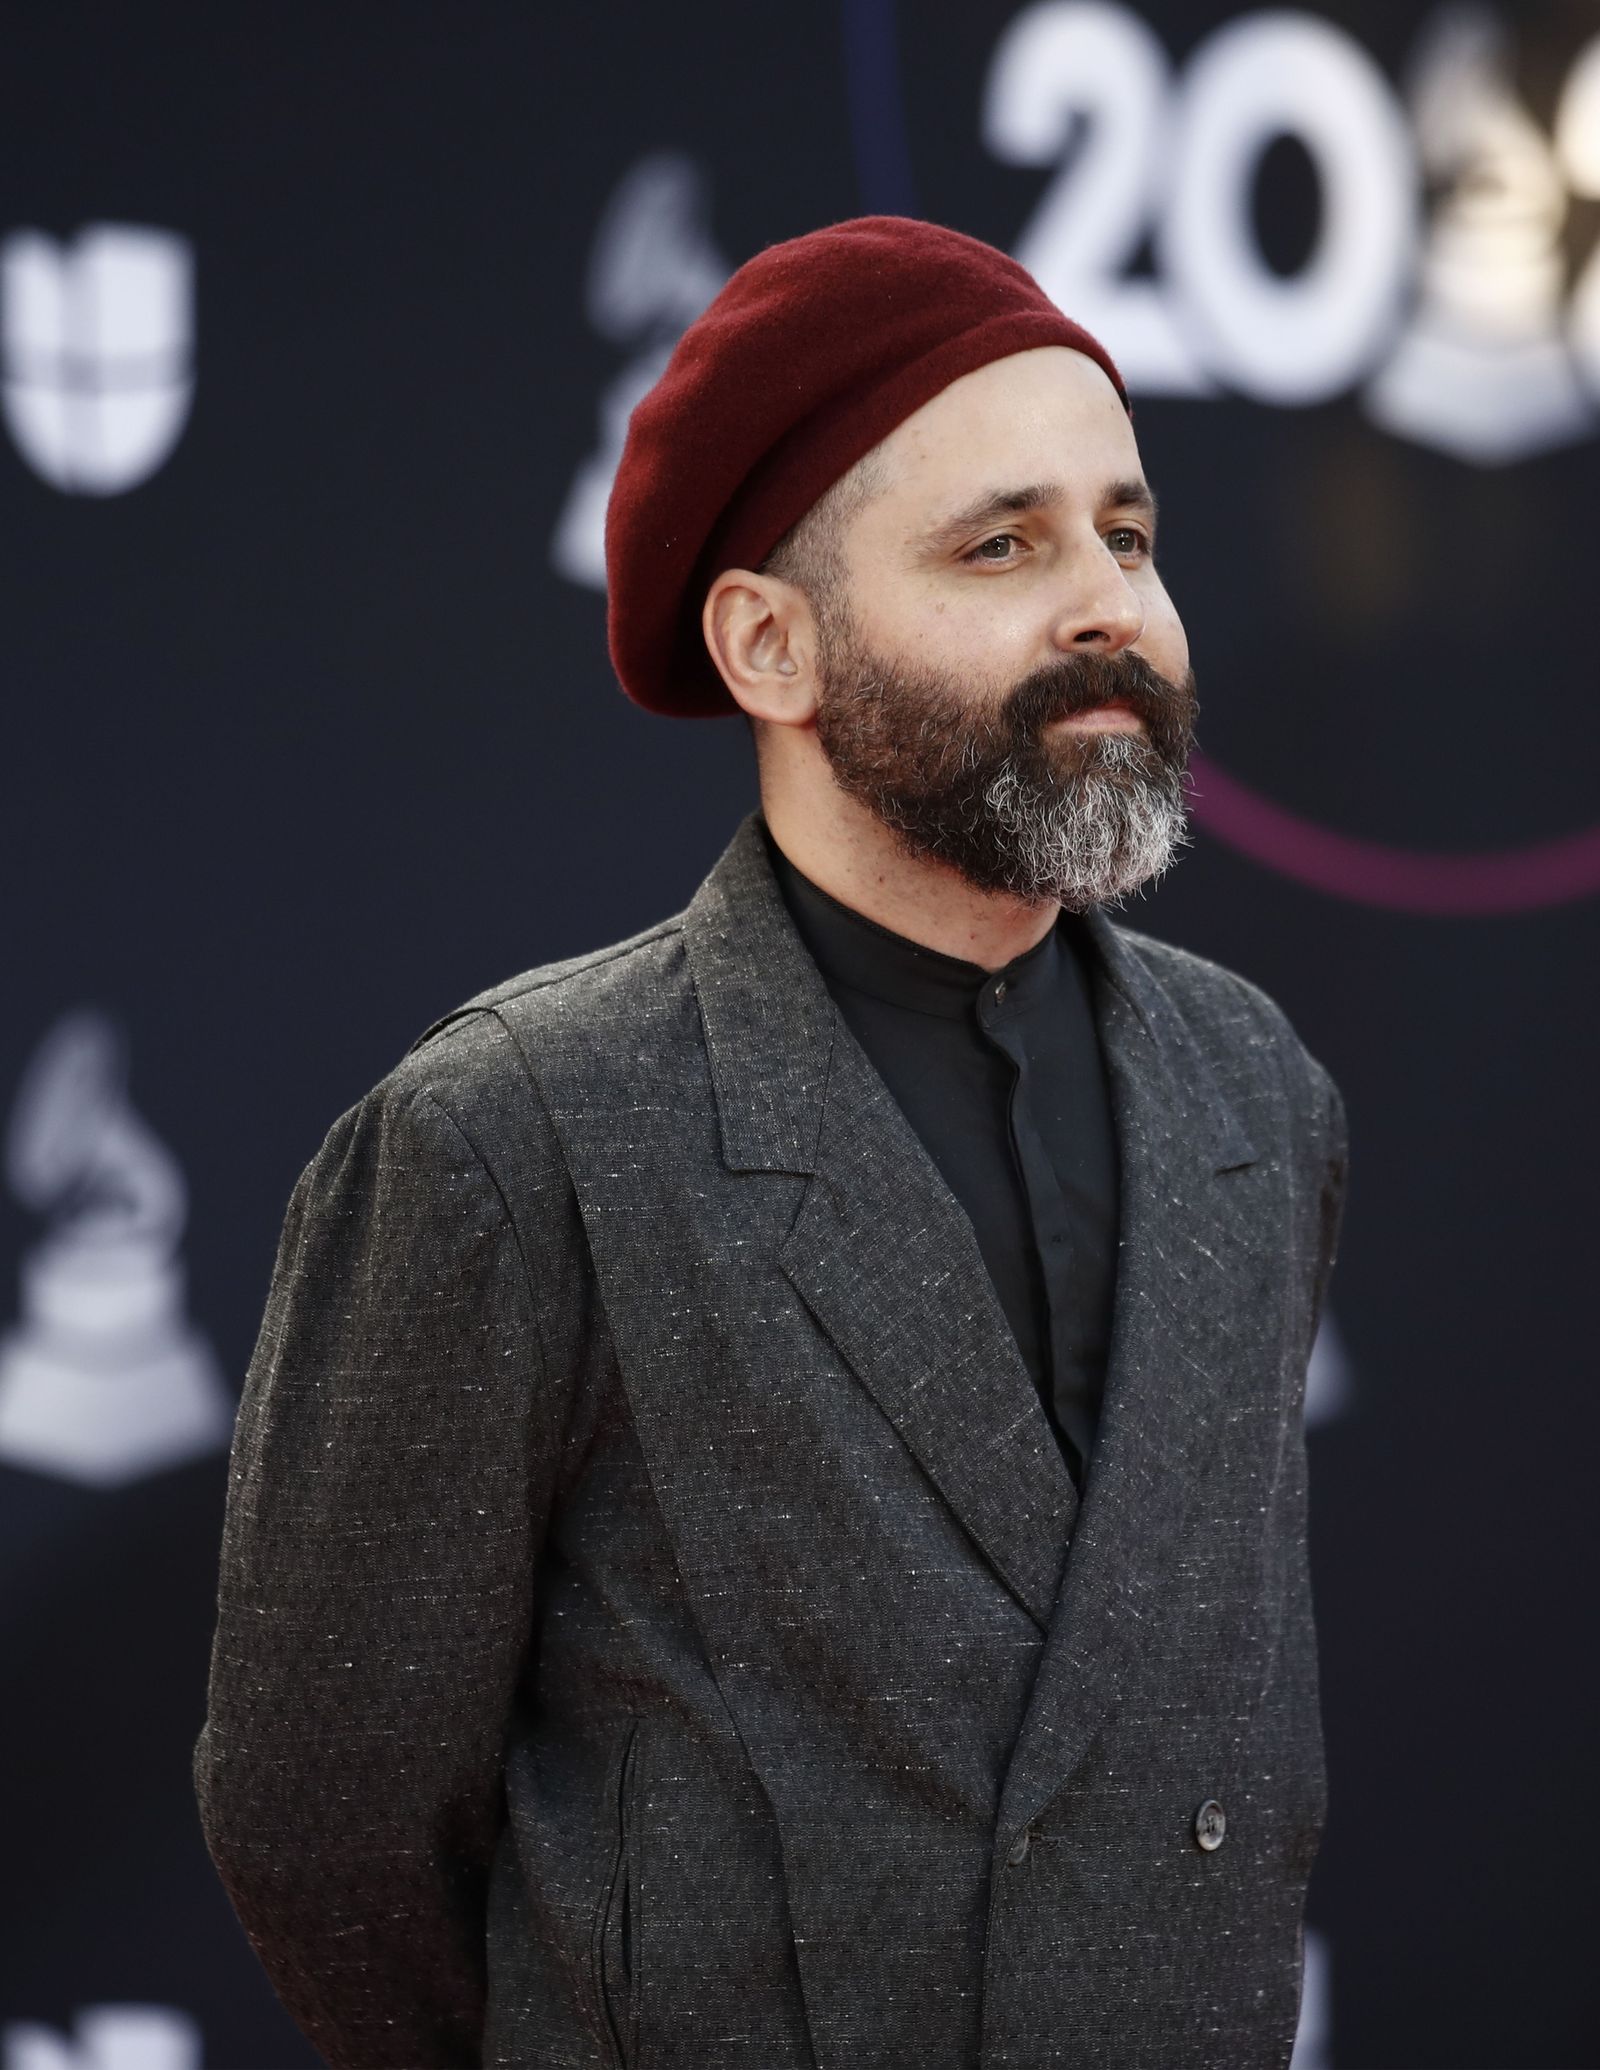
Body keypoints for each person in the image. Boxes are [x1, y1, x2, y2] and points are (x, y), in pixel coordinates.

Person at [196, 217, 1348, 2070]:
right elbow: (323, 1824)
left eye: (1127, 535)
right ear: (768, 642)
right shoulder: (509, 1138)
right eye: (1003, 544)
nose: (1109, 605)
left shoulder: (1259, 1093)